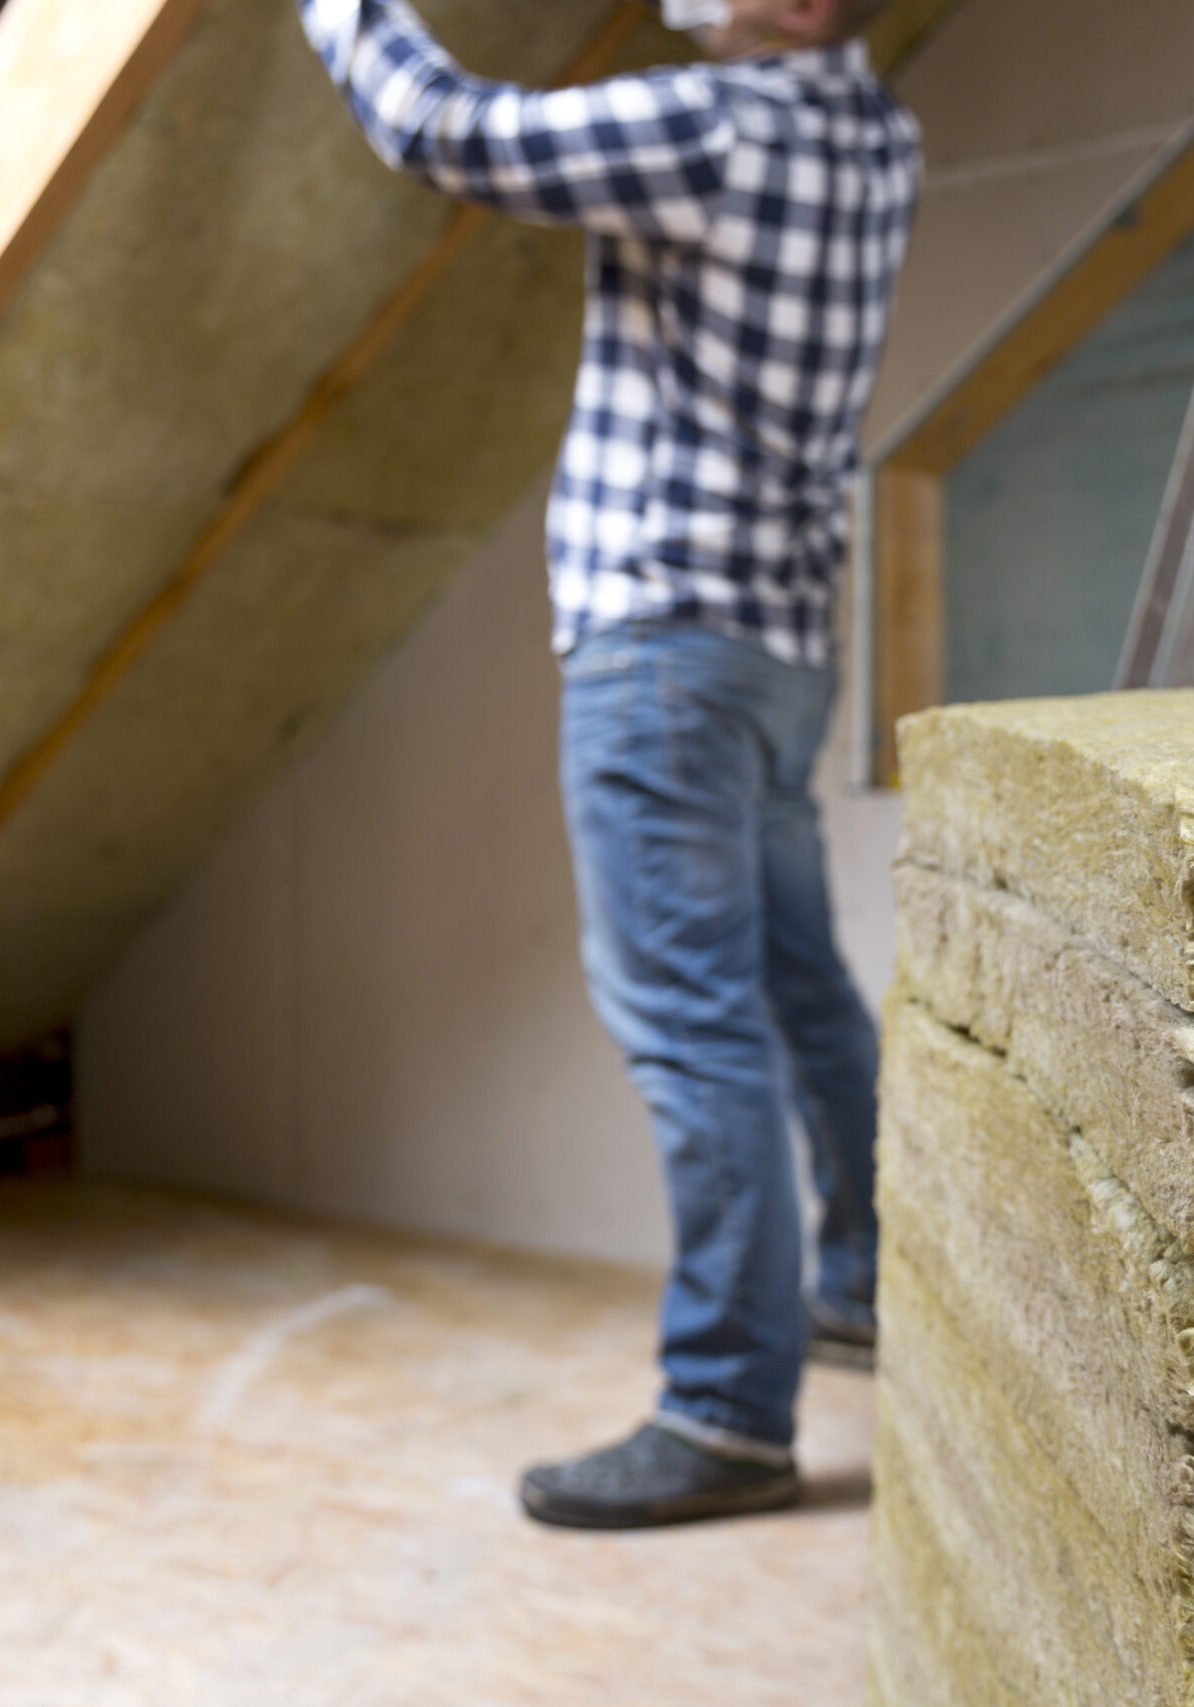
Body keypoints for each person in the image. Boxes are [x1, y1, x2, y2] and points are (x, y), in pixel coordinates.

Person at [296, 0, 919, 1529]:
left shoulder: (716, 128)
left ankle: (724, 1415)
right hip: (778, 650)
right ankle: (860, 1286)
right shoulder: (875, 136)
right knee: (796, 992)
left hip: (661, 655)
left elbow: (451, 133)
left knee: (694, 1030)